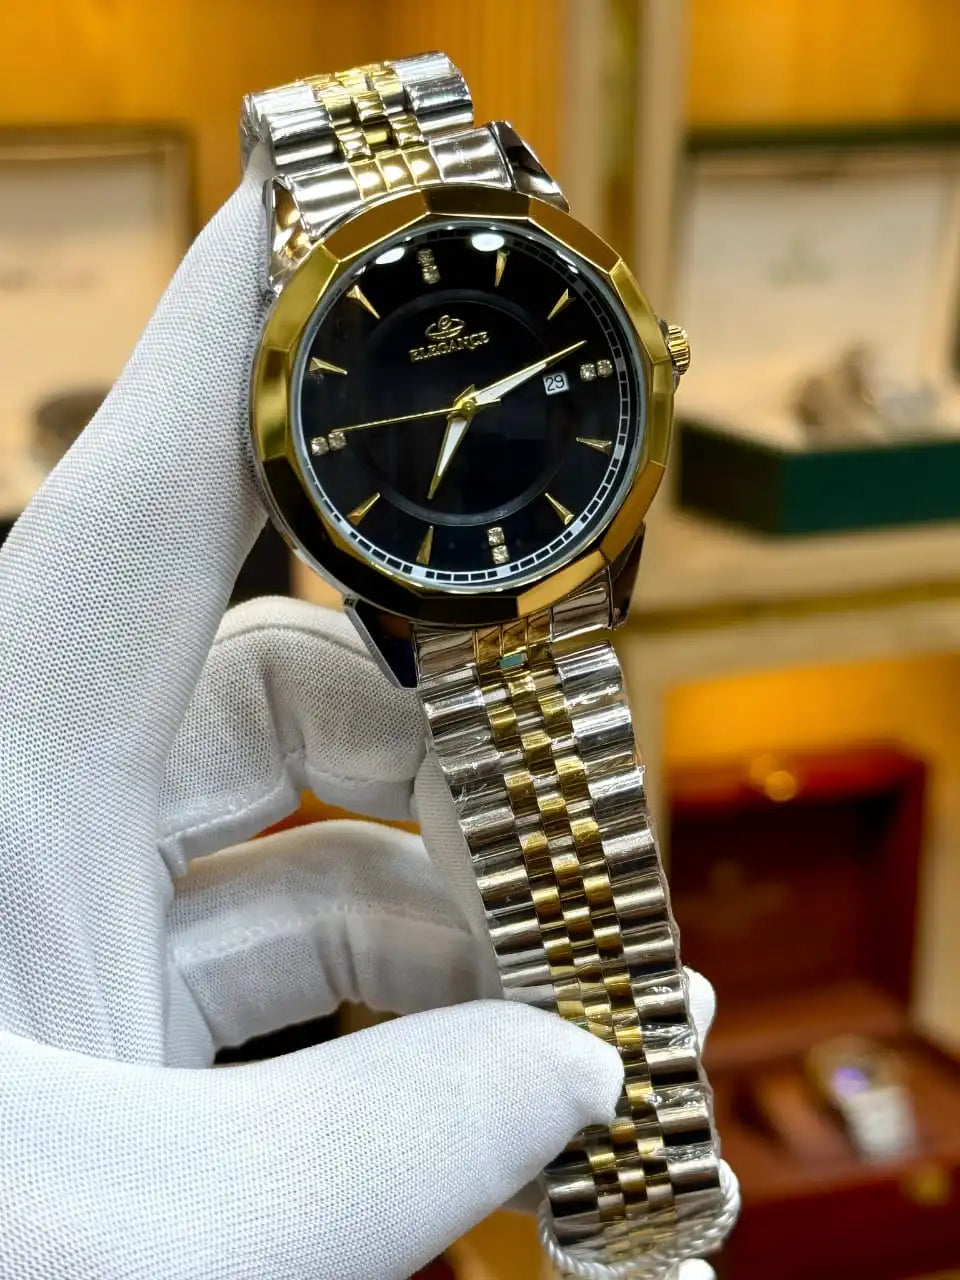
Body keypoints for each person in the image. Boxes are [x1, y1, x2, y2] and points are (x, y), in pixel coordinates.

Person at [0, 165, 731, 1279]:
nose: (467, 405)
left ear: (649, 356)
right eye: (445, 402)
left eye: (485, 393)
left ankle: (638, 1192)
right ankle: (634, 1185)